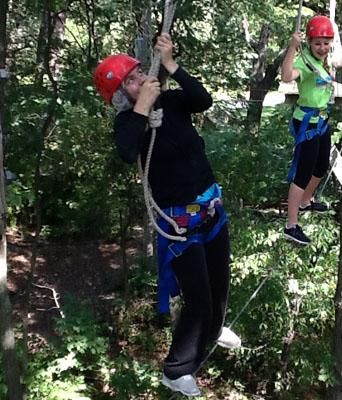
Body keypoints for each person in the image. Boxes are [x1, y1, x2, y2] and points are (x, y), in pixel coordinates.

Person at [94, 33, 241, 397]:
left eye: (140, 71)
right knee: (199, 299)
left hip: (209, 208)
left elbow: (202, 100)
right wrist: (142, 107)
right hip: (178, 224)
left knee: (220, 282)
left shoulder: (172, 103)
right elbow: (127, 151)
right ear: (120, 96)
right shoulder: (131, 124)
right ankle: (176, 370)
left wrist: (171, 63)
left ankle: (212, 330)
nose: (141, 78)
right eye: (131, 79)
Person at [280, 15, 342, 245]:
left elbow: (341, 62)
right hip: (307, 122)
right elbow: (286, 77)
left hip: (321, 120)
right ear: (309, 42)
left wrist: (334, 31)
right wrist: (292, 48)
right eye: (317, 43)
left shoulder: (323, 61)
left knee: (321, 166)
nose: (322, 47)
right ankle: (291, 225)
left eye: (326, 43)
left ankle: (306, 201)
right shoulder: (304, 61)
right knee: (303, 172)